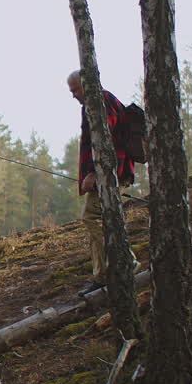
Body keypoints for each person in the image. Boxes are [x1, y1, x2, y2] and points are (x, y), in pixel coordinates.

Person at [67, 70, 137, 291]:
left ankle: (125, 259)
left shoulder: (102, 102)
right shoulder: (93, 105)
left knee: (91, 216)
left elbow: (107, 143)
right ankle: (101, 277)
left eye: (75, 89)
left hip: (111, 174)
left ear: (86, 84)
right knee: (94, 219)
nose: (73, 95)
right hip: (106, 174)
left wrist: (93, 174)